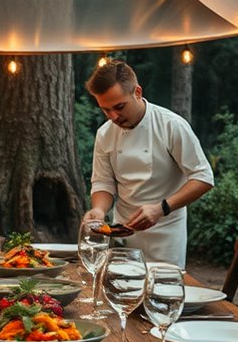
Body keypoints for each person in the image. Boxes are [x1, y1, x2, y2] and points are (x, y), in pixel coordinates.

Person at [83, 60, 213, 268]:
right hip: (123, 236)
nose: (113, 116)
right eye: (106, 110)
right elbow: (103, 182)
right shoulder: (104, 134)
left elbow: (203, 177)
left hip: (166, 236)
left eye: (119, 107)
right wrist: (99, 210)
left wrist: (161, 208)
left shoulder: (171, 125)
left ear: (137, 92)